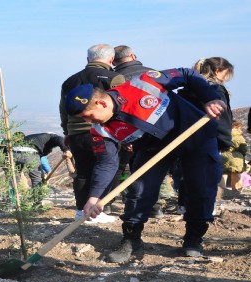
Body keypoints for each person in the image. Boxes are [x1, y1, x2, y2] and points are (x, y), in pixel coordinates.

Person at [65, 67, 227, 263]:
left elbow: (187, 74)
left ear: (101, 102)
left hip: (195, 135)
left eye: (88, 116)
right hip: (153, 148)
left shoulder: (143, 83)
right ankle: (131, 240)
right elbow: (107, 163)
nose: (88, 121)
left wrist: (209, 98)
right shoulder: (100, 129)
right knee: (139, 190)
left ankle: (193, 238)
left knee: (201, 187)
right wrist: (93, 198)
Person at [59, 44, 125, 223]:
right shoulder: (114, 77)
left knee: (82, 171)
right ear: (111, 59)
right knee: (108, 167)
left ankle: (81, 210)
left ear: (88, 59)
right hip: (104, 132)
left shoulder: (70, 81)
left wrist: (67, 131)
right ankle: (99, 210)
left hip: (76, 133)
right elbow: (122, 105)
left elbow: (63, 110)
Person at [112, 45, 164, 218]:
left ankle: (109, 206)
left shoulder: (116, 78)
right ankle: (154, 207)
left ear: (113, 60)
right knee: (150, 170)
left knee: (117, 168)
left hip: (126, 132)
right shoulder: (153, 74)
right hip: (155, 132)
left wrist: (123, 138)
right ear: (133, 56)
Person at [178, 57, 234, 203]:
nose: (226, 78)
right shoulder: (216, 90)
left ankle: (184, 204)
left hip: (185, 138)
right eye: (226, 74)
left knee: (188, 173)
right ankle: (201, 210)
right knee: (208, 175)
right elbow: (222, 118)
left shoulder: (188, 88)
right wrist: (225, 140)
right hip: (209, 139)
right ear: (217, 71)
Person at [220, 121, 248, 195]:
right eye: (240, 128)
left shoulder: (222, 134)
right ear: (236, 126)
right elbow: (244, 148)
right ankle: (236, 191)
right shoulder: (238, 136)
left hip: (223, 157)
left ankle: (220, 191)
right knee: (236, 174)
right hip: (236, 158)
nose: (241, 130)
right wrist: (242, 154)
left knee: (223, 174)